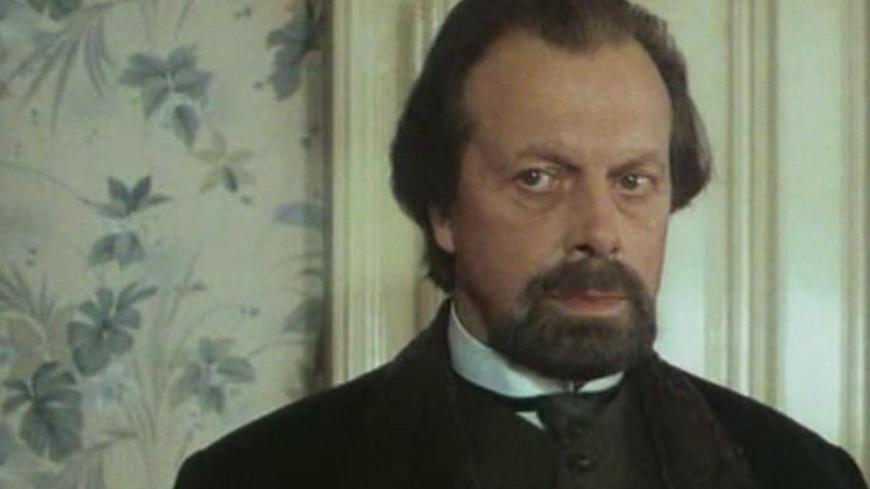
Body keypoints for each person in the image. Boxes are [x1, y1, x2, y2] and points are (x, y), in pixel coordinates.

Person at [173, 1, 869, 488]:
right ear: (442, 209)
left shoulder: (806, 475)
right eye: (539, 178)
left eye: (632, 181)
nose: (600, 231)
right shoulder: (254, 476)